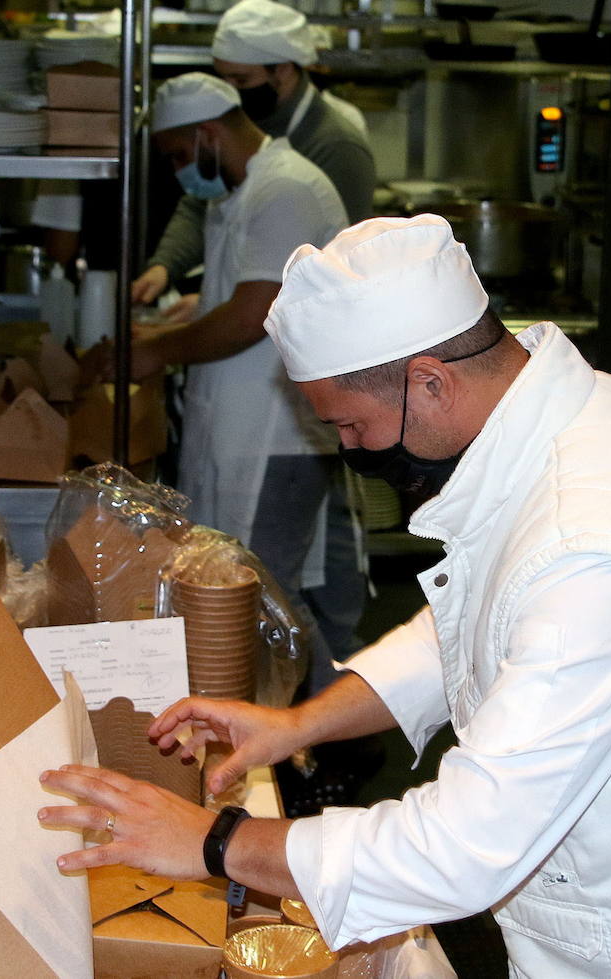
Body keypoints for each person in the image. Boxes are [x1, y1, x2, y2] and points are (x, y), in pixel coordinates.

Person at [42, 215, 611, 977]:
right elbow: (476, 623)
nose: (349, 447)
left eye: (353, 426)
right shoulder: (574, 423)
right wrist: (301, 722)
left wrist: (216, 841)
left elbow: (467, 843)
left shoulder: (595, 546)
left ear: (429, 380)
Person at [126, 73, 363, 695]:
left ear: (208, 134)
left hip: (275, 435)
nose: (180, 172)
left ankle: (323, 741)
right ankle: (301, 741)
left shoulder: (285, 188)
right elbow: (246, 287)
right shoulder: (240, 191)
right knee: (250, 591)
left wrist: (158, 352)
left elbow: (255, 311)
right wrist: (192, 313)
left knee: (266, 597)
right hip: (241, 424)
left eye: (180, 156)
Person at [132, 0, 376, 318]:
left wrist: (228, 306)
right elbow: (202, 203)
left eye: (241, 81)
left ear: (283, 70)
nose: (230, 92)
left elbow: (337, 258)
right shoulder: (245, 127)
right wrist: (164, 267)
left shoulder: (335, 145)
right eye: (223, 80)